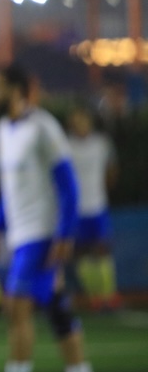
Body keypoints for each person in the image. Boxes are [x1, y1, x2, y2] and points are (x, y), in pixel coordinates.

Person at [0, 65, 93, 372]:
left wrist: (64, 235)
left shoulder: (43, 127)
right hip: (20, 235)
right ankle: (80, 370)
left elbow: (69, 186)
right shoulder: (3, 129)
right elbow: (11, 190)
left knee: (15, 307)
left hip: (41, 233)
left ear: (16, 89)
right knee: (57, 309)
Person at [65, 105, 121, 311]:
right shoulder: (66, 145)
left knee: (102, 249)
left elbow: (112, 170)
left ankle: (109, 295)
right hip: (76, 209)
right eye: (76, 121)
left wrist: (103, 189)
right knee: (80, 253)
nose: (80, 124)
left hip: (97, 206)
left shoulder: (102, 143)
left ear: (89, 122)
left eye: (83, 120)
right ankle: (94, 297)